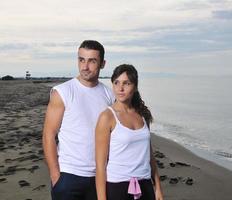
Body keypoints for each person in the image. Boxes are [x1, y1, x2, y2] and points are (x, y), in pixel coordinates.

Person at [42, 40, 114, 200]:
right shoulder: (62, 92)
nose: (85, 66)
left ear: (103, 63)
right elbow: (48, 135)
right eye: (81, 59)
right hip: (68, 176)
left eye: (92, 61)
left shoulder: (110, 95)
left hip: (100, 176)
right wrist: (56, 177)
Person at [95, 64, 163, 200]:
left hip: (145, 185)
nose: (120, 88)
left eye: (127, 83)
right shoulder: (107, 117)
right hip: (118, 187)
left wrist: (158, 188)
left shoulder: (143, 115)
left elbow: (149, 156)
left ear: (135, 86)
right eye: (116, 83)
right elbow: (100, 165)